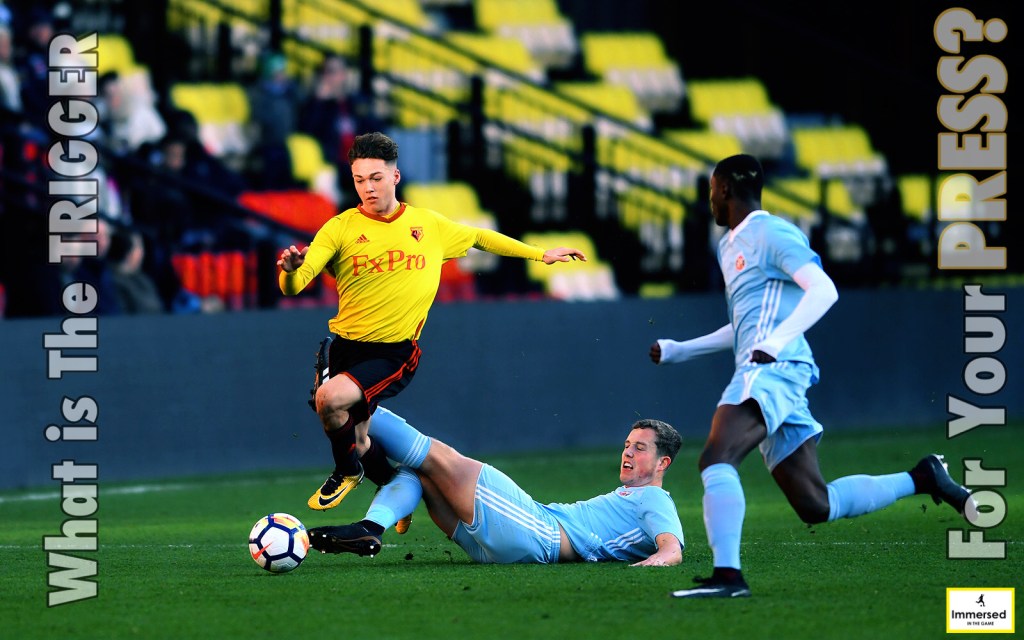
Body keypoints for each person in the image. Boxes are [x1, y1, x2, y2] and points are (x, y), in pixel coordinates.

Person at [649, 154, 972, 599]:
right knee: (816, 504)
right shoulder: (729, 246)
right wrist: (680, 350)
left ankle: (728, 577)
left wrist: (778, 342)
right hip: (771, 371)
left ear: (723, 188)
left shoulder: (771, 232)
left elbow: (824, 289)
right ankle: (922, 477)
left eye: (710, 191)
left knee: (716, 457)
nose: (710, 201)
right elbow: (744, 325)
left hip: (773, 369)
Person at [277, 132, 587, 513]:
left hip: (392, 352)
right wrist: (290, 271)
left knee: (329, 399)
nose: (368, 188)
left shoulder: (427, 225)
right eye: (359, 180)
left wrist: (541, 254)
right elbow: (295, 284)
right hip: (346, 347)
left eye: (376, 178)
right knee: (356, 437)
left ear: (395, 176)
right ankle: (395, 486)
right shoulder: (339, 228)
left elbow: (480, 237)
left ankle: (347, 471)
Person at [308, 408, 684, 566]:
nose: (627, 453)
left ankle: (355, 404)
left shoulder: (653, 498)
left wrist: (653, 563)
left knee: (438, 457)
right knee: (418, 471)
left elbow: (671, 549)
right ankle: (370, 527)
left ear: (662, 463)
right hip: (504, 547)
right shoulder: (635, 497)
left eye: (640, 448)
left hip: (539, 532)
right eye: (627, 444)